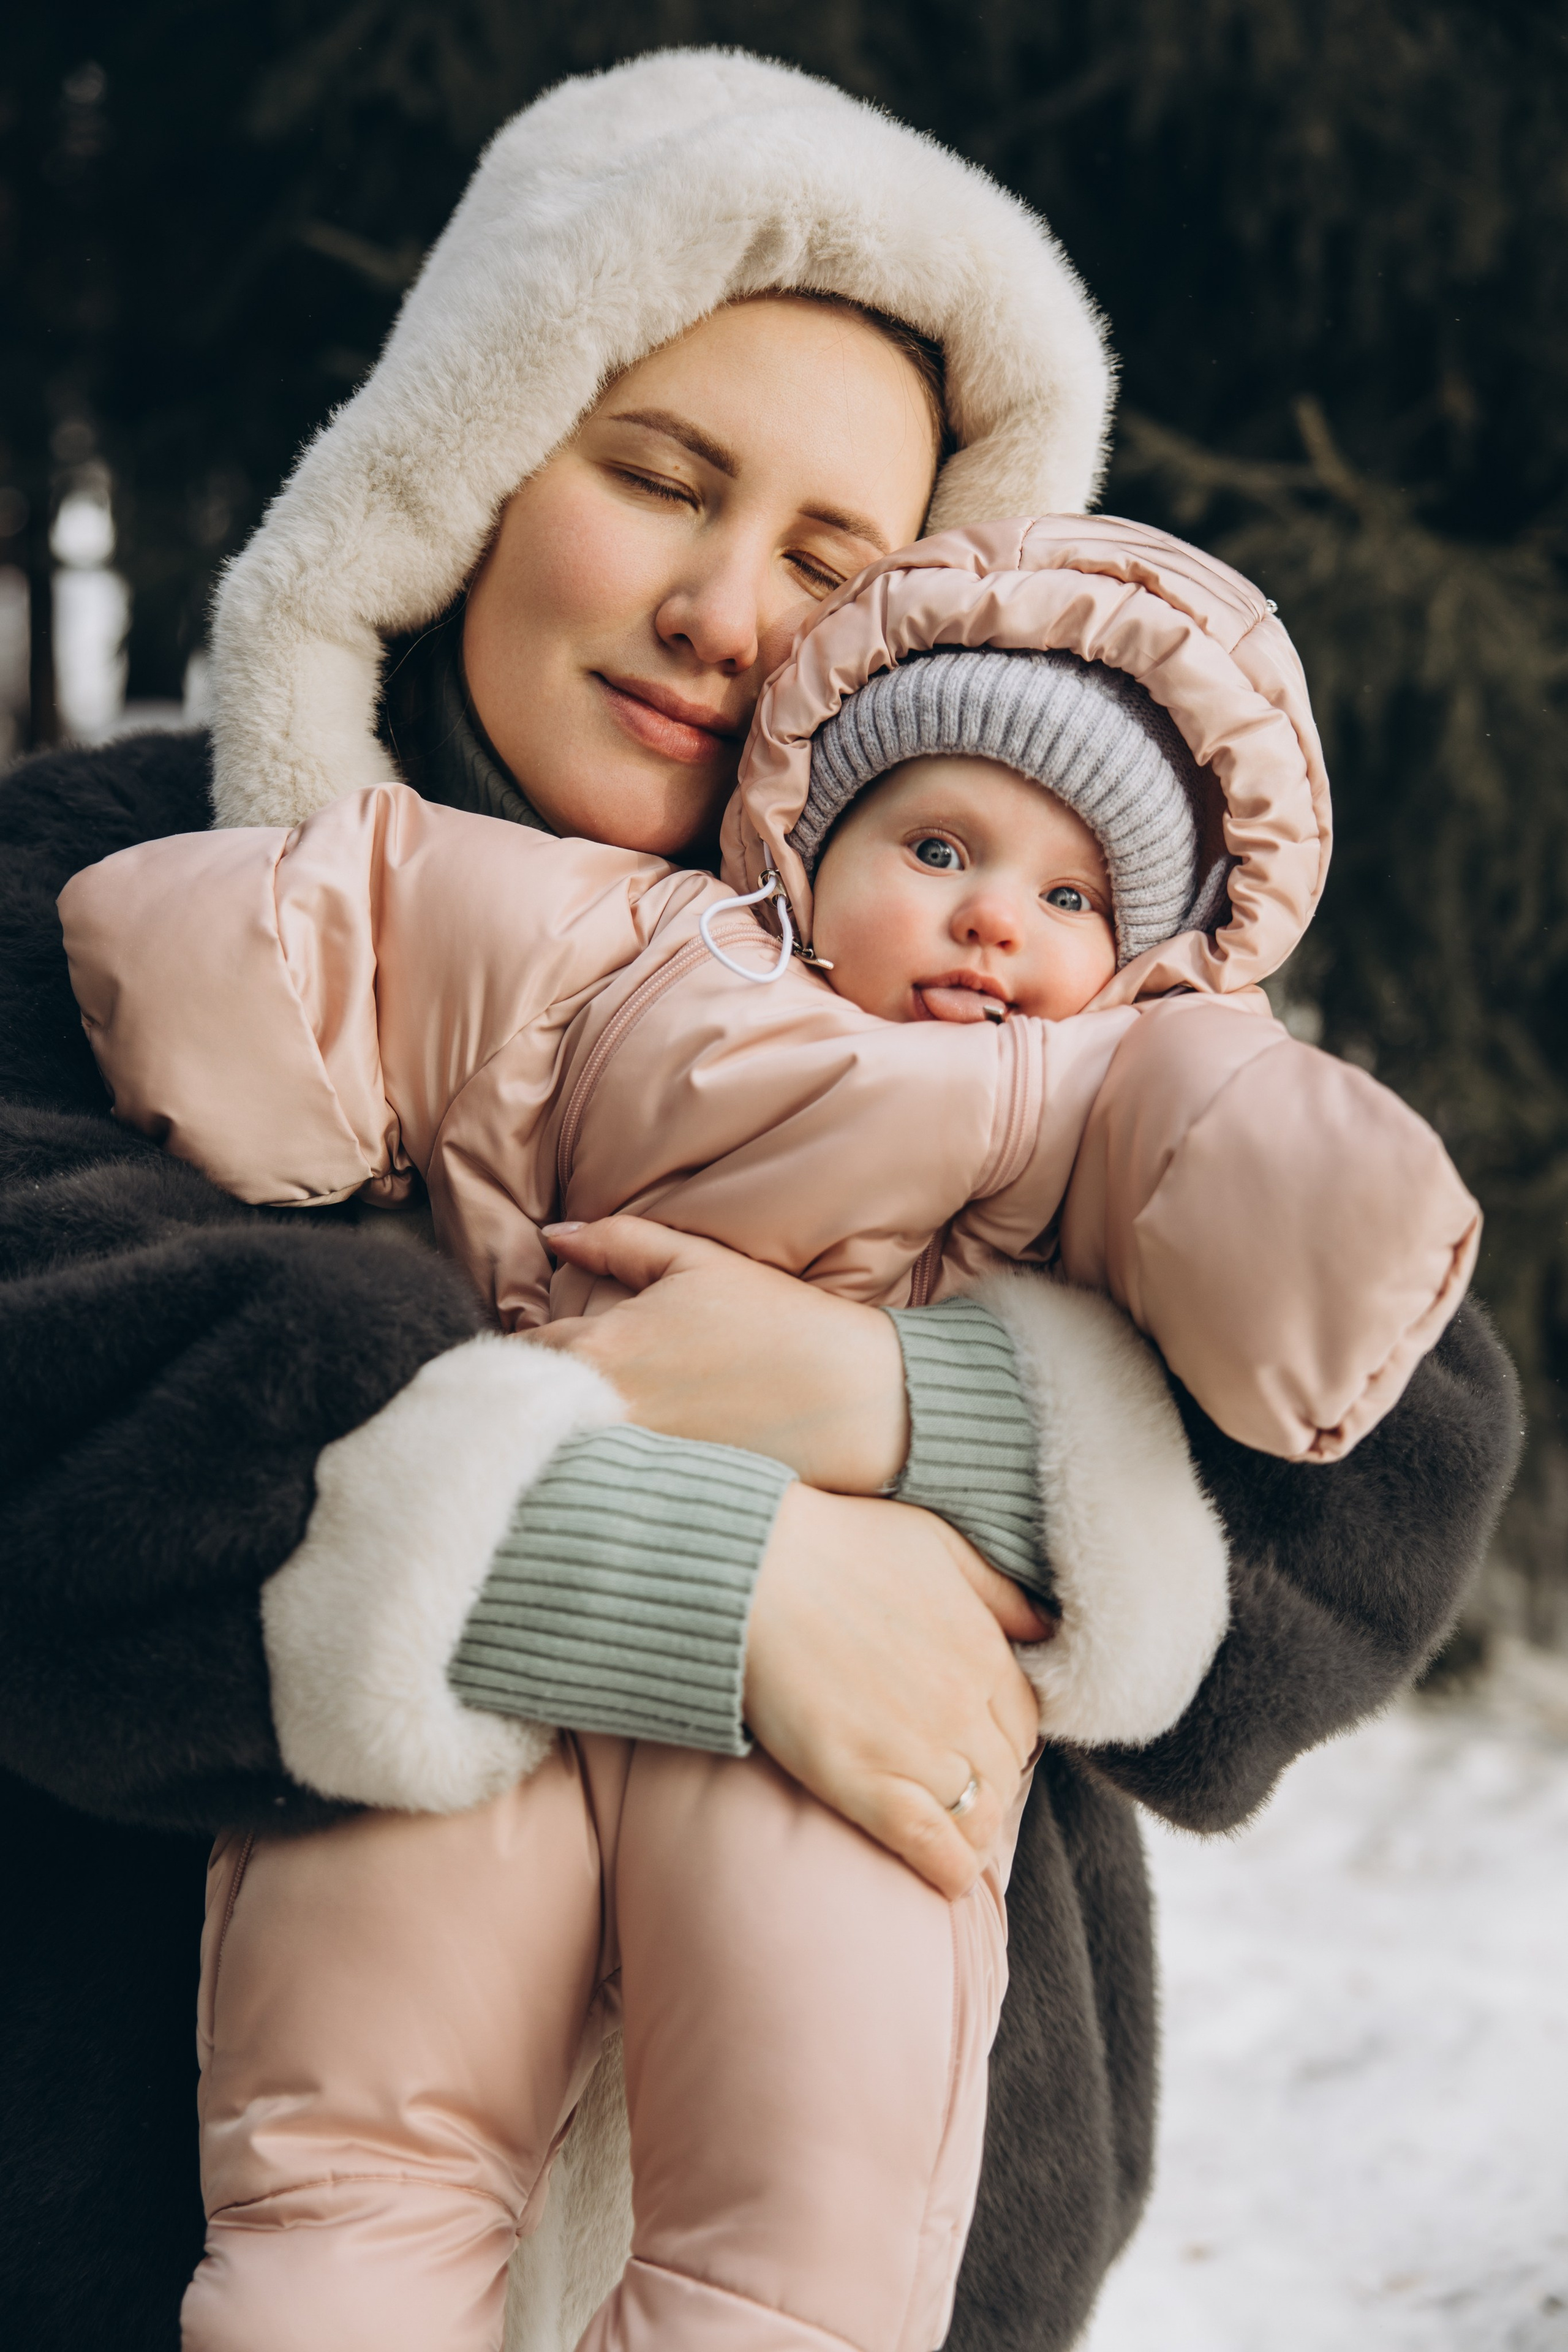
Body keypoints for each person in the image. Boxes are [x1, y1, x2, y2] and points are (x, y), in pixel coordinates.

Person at [0, 48, 1521, 2352]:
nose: (728, 608)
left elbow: (1396, 1447)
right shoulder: (120, 888)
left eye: (831, 557)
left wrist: (916, 1407)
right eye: (659, 477)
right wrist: (676, 1563)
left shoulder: (1029, 1003)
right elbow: (55, 1373)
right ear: (475, 463)